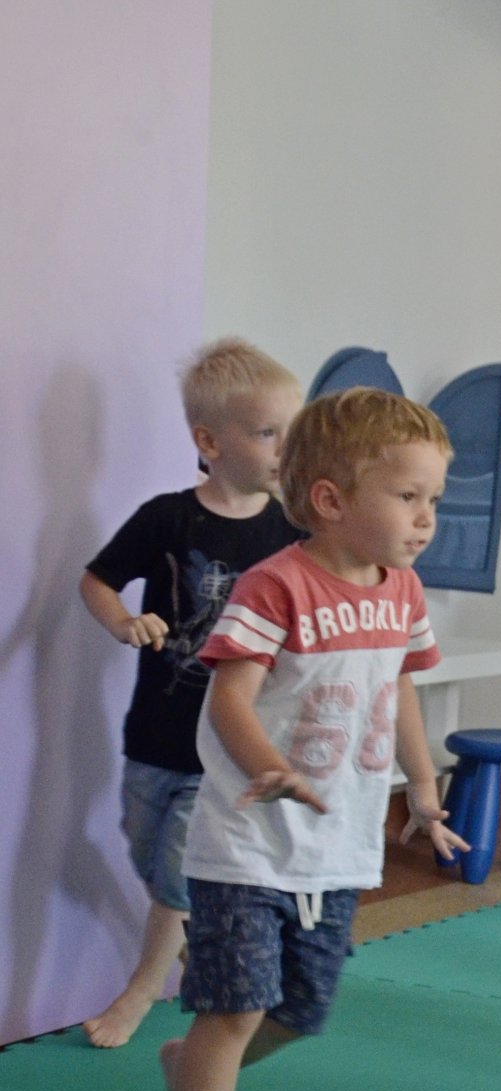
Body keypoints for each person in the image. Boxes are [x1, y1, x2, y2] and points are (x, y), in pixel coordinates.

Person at [157, 387, 467, 1091]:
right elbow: (229, 697)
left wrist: (424, 790)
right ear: (330, 499)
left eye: (434, 499)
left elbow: (401, 687)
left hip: (338, 846)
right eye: (408, 496)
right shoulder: (275, 586)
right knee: (235, 1008)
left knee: (300, 1010)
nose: (426, 519)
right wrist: (269, 766)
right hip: (247, 841)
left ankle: (190, 1068)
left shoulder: (403, 591)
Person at [80, 338, 303, 1048]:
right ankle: (190, 940)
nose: (284, 449)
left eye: (291, 432)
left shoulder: (292, 533)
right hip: (154, 734)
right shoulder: (166, 518)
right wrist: (124, 622)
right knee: (147, 854)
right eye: (267, 433)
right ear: (210, 442)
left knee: (177, 875)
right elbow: (97, 581)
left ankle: (141, 989)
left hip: (226, 746)